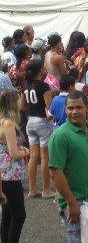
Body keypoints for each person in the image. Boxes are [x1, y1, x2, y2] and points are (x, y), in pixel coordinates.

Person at [48, 90, 88, 243]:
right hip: (77, 203)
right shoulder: (60, 136)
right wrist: (71, 202)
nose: (74, 112)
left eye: (78, 107)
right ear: (65, 110)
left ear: (87, 108)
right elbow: (55, 172)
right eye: (70, 108)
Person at [22, 57, 55, 198]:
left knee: (33, 157)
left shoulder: (26, 85)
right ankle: (46, 189)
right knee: (45, 157)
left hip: (30, 121)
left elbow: (22, 106)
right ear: (40, 70)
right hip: (42, 122)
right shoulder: (44, 86)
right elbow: (49, 107)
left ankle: (32, 189)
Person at [0, 89, 28, 243]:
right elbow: (14, 154)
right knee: (18, 215)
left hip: (5, 173)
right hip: (10, 174)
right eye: (19, 99)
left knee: (8, 215)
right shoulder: (9, 124)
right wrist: (25, 152)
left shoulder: (3, 121)